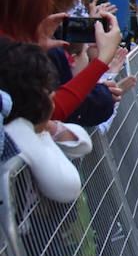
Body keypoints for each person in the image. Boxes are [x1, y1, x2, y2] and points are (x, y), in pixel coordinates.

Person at [0, 43, 94, 204]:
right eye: (48, 90)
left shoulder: (23, 128)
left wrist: (45, 128)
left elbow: (82, 144)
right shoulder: (18, 132)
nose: (54, 95)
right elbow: (68, 187)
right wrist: (40, 131)